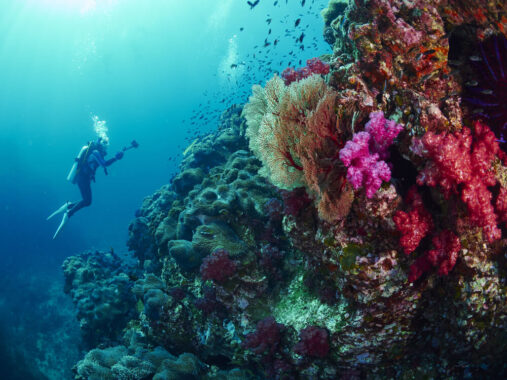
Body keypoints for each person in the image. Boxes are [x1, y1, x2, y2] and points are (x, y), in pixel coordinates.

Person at [48, 138, 124, 239]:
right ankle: (68, 213)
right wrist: (116, 158)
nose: (106, 145)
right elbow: (104, 164)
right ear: (100, 143)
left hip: (84, 178)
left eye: (107, 143)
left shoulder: (96, 152)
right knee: (87, 201)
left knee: (87, 201)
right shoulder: (96, 152)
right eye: (105, 143)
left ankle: (69, 206)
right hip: (83, 178)